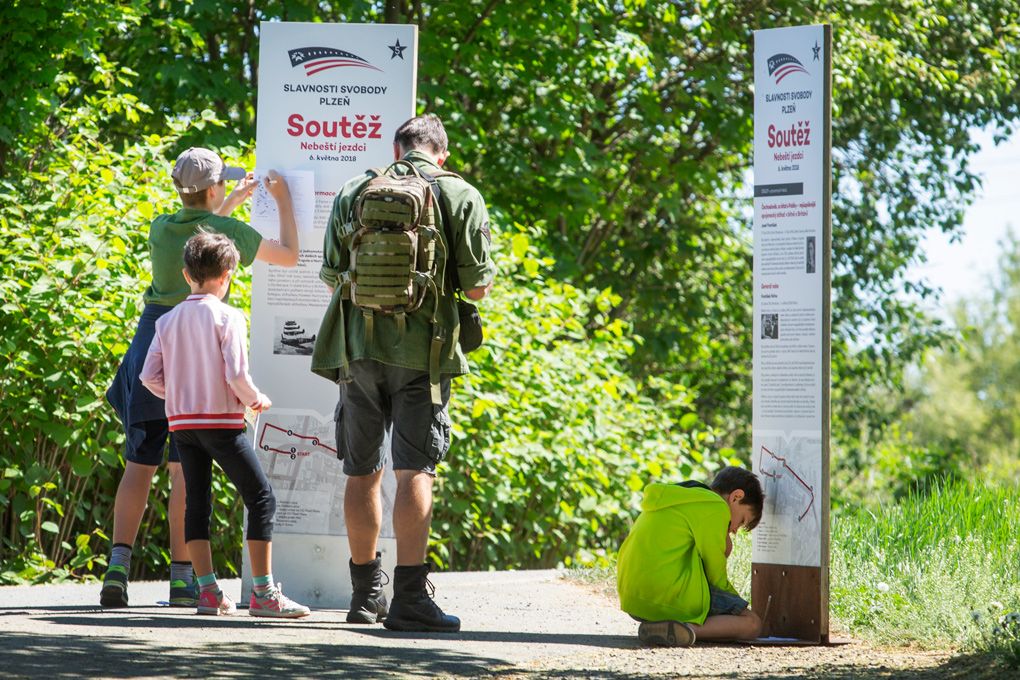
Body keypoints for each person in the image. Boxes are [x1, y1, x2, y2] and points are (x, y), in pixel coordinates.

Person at [312, 114, 496, 632]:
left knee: (360, 469)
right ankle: (411, 596)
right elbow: (478, 288)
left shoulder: (356, 188)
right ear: (443, 153)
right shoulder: (460, 195)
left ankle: (364, 594)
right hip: (425, 355)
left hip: (356, 352)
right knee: (415, 470)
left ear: (396, 148)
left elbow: (332, 275)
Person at [100, 147, 299, 608]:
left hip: (153, 335)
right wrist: (283, 202)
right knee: (182, 472)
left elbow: (201, 228)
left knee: (138, 462)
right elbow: (288, 256)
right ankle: (183, 578)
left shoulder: (162, 227)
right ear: (214, 189)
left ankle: (116, 568)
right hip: (196, 350)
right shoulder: (227, 232)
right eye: (223, 185)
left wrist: (226, 207)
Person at [139, 231, 309, 618]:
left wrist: (180, 396)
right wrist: (256, 399)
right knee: (260, 496)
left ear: (186, 275)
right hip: (222, 423)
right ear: (228, 273)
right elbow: (235, 373)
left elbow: (149, 377)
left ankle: (208, 592)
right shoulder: (228, 316)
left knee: (197, 503)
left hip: (182, 424)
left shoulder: (167, 321)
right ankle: (265, 595)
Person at [616, 466, 765, 646]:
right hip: (666, 594)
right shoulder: (715, 506)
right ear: (736, 497)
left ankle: (665, 625)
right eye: (741, 521)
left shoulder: (679, 496)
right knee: (752, 624)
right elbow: (715, 574)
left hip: (634, 599)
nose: (734, 530)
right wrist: (739, 606)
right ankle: (686, 629)